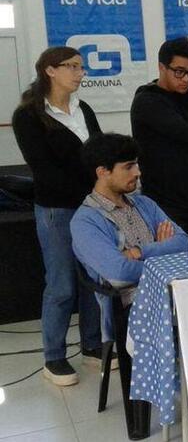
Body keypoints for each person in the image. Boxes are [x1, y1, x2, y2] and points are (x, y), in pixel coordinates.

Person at [12, 46, 103, 386]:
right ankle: (54, 356)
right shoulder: (29, 115)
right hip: (57, 210)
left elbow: (96, 154)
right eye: (73, 67)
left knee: (93, 280)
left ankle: (93, 346)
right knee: (62, 283)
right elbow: (44, 170)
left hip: (93, 207)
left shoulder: (84, 109)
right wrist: (92, 191)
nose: (80, 73)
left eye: (82, 67)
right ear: (50, 70)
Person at [71, 133, 188, 342]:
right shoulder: (85, 221)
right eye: (128, 167)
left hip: (174, 292)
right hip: (133, 305)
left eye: (136, 165)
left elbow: (185, 243)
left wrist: (141, 252)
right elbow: (119, 273)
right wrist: (165, 254)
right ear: (103, 172)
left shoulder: (144, 204)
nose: (138, 172)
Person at [130, 37, 188, 248]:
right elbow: (186, 133)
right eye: (179, 71)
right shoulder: (147, 100)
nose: (186, 79)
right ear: (162, 67)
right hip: (164, 202)